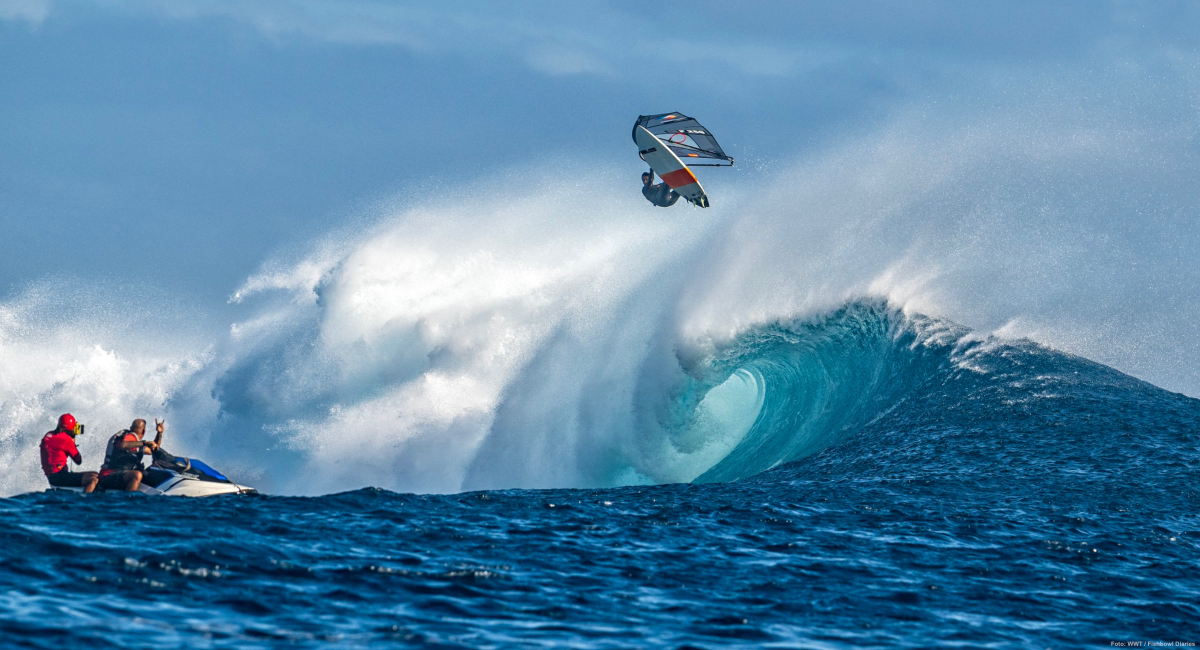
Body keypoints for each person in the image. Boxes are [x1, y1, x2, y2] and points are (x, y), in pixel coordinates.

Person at [98, 418, 162, 492]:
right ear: (143, 431)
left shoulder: (135, 443)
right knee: (136, 475)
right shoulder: (129, 436)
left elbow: (153, 450)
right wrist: (144, 443)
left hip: (117, 476)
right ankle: (129, 500)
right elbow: (123, 445)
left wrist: (159, 433)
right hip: (107, 476)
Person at [39, 413, 98, 493]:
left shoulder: (49, 434)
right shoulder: (65, 439)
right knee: (93, 479)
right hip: (59, 477)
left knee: (95, 473)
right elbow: (78, 461)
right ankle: (85, 500)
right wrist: (73, 440)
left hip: (52, 476)